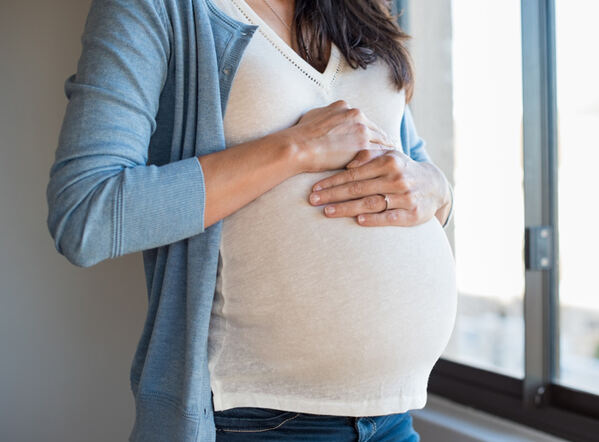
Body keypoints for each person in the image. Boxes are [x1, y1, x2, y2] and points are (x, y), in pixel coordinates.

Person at [46, 0, 457, 440]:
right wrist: (294, 149)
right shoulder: (156, 9)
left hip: (392, 417)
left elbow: (412, 167)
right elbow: (86, 215)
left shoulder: (357, 8)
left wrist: (436, 187)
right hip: (260, 421)